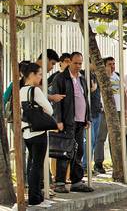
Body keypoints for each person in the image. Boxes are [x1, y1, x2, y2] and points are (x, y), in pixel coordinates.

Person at [50, 52, 93, 193]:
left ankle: (76, 181)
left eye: (80, 63)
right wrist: (58, 120)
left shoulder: (82, 78)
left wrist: (87, 117)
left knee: (78, 151)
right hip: (67, 121)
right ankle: (60, 182)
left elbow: (86, 99)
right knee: (65, 152)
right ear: (69, 63)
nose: (78, 66)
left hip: (80, 121)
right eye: (76, 63)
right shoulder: (60, 78)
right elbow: (57, 102)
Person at [21, 63, 56, 206]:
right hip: (39, 131)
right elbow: (49, 110)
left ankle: (34, 195)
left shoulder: (21, 91)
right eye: (40, 74)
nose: (41, 77)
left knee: (31, 165)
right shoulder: (35, 91)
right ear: (31, 75)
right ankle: (35, 198)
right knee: (37, 165)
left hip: (26, 131)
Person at [94, 57, 122, 174]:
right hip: (104, 111)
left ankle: (117, 163)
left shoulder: (118, 76)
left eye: (114, 64)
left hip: (118, 111)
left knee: (115, 138)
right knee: (101, 137)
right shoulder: (101, 78)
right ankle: (98, 162)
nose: (112, 66)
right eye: (110, 64)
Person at [83, 64, 102, 172]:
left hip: (97, 111)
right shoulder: (83, 75)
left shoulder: (95, 76)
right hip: (89, 113)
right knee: (89, 141)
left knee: (93, 141)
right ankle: (85, 166)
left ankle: (87, 164)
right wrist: (92, 89)